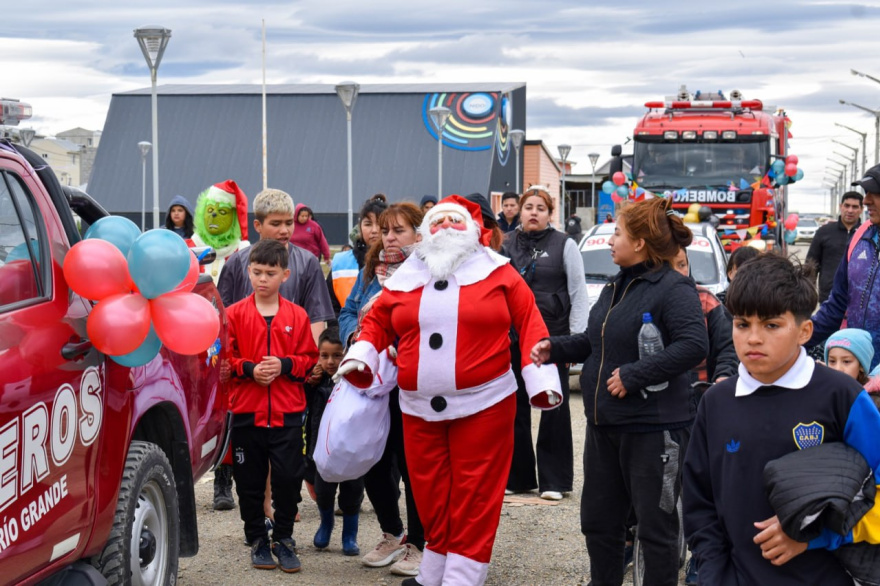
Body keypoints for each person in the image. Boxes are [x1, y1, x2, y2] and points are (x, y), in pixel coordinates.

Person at [339, 195, 562, 586]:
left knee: (475, 493)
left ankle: (462, 576)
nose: (444, 229)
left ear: (473, 231)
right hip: (418, 407)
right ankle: (435, 569)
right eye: (437, 223)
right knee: (430, 493)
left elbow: (530, 323)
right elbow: (377, 321)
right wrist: (361, 355)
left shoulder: (498, 272)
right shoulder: (408, 275)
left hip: (485, 405)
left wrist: (540, 381)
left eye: (453, 222)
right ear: (425, 233)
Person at [530, 195, 708, 586]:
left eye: (618, 233)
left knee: (655, 529)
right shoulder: (617, 285)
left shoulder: (673, 288)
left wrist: (635, 375)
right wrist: (554, 347)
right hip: (605, 427)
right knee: (599, 524)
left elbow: (694, 345)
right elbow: (597, 341)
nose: (611, 241)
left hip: (653, 432)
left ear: (640, 242)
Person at [682, 253, 880, 585]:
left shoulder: (843, 396)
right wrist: (715, 575)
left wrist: (814, 535)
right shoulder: (715, 402)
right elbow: (699, 503)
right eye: (742, 324)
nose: (753, 338)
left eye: (771, 325)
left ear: (804, 331)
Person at [216, 188, 334, 513]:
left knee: (286, 444)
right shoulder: (237, 263)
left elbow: (317, 316)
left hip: (291, 368)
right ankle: (259, 503)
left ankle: (283, 502)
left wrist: (313, 362)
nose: (284, 230)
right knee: (253, 444)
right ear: (257, 225)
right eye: (276, 223)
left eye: (289, 223)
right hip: (247, 373)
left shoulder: (307, 263)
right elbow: (223, 321)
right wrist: (240, 366)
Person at [339, 202, 426, 578]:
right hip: (371, 382)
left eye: (398, 230)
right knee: (372, 459)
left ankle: (420, 543)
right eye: (385, 230)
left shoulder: (429, 271)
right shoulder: (372, 269)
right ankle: (393, 533)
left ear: (419, 234)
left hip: (411, 384)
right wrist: (354, 337)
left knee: (412, 465)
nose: (388, 237)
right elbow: (348, 311)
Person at [226, 239, 319, 573]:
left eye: (270, 273)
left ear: (285, 275)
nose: (262, 279)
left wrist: (284, 365)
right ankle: (257, 539)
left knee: (288, 479)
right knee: (248, 482)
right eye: (257, 272)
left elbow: (309, 359)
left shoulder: (297, 315)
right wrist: (249, 370)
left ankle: (283, 538)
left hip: (287, 413)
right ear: (248, 272)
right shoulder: (234, 315)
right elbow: (225, 360)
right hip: (247, 413)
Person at [502, 187, 587, 501]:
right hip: (512, 338)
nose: (533, 213)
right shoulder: (504, 244)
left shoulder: (565, 244)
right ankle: (519, 478)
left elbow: (578, 294)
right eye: (528, 207)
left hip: (553, 338)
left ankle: (555, 481)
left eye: (540, 208)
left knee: (554, 407)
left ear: (550, 214)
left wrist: (576, 341)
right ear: (520, 212)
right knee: (515, 408)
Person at [808, 165, 880, 371]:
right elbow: (836, 305)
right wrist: (796, 341)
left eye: (874, 193)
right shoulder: (861, 236)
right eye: (866, 193)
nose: (866, 200)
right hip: (857, 373)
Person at [305, 328, 364, 556]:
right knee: (323, 491)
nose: (330, 362)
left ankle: (350, 534)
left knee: (352, 492)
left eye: (337, 355)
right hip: (323, 450)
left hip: (351, 450)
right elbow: (303, 402)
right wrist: (309, 382)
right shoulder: (316, 381)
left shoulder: (355, 380)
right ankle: (326, 524)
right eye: (324, 355)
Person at [672, 248, 738, 385]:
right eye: (668, 267)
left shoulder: (705, 299)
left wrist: (724, 375)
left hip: (703, 390)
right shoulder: (645, 302)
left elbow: (727, 346)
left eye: (682, 265)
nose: (677, 273)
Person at [327, 195, 388, 319]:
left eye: (380, 224)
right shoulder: (341, 263)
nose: (374, 230)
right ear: (360, 227)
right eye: (368, 224)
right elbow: (330, 307)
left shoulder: (401, 262)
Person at [806, 192, 863, 303]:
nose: (850, 210)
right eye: (847, 205)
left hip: (859, 299)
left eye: (855, 207)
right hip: (829, 298)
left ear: (861, 209)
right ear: (841, 206)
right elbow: (811, 264)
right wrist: (807, 294)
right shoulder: (824, 231)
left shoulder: (867, 234)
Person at [191, 180, 251, 282]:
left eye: (223, 212)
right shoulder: (188, 248)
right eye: (210, 210)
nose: (214, 215)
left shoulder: (242, 253)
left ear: (235, 218)